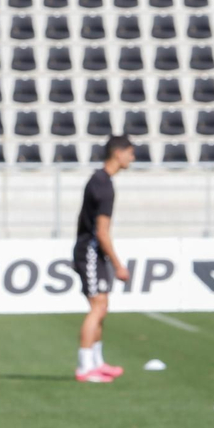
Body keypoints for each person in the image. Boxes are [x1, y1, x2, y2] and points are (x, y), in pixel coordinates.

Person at [72, 135, 135, 383]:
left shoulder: (101, 180)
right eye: (130, 152)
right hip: (90, 251)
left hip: (93, 252)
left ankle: (97, 362)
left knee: (101, 307)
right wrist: (119, 265)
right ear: (118, 153)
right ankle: (84, 367)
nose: (133, 157)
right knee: (97, 307)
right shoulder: (104, 186)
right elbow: (101, 231)